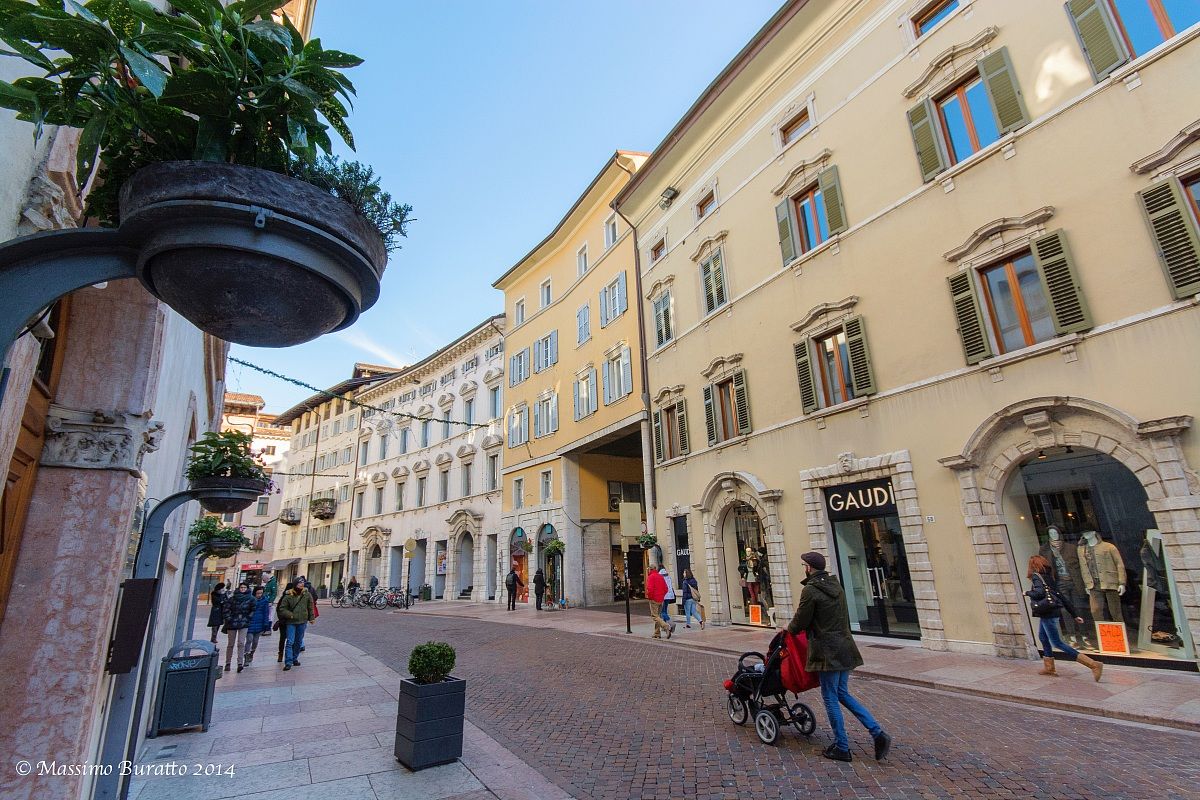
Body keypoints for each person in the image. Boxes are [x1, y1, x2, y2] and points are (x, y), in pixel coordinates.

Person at [787, 551, 891, 763]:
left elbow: (801, 621)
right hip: (844, 647)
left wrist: (788, 629)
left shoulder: (810, 590)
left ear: (809, 567)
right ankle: (877, 733)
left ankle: (842, 746)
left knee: (830, 697)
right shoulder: (836, 585)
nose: (803, 568)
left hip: (828, 652)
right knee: (842, 693)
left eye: (804, 565)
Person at [1025, 555, 1103, 681]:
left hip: (1048, 614)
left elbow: (1039, 593)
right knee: (1043, 637)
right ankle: (1049, 668)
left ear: (1033, 566)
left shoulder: (1036, 577)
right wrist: (1074, 614)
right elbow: (1061, 596)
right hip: (1050, 613)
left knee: (1057, 643)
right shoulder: (1049, 578)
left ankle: (1093, 664)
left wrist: (1027, 593)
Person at [277, 579, 315, 671]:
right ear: (295, 584)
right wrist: (290, 615)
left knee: (298, 641)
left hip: (302, 621)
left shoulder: (307, 594)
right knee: (290, 642)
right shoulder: (289, 595)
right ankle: (288, 662)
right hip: (291, 622)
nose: (301, 584)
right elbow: (282, 608)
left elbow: (310, 607)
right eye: (299, 583)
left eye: (302, 583)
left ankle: (294, 658)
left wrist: (311, 618)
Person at [222, 581, 255, 673]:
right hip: (232, 623)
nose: (243, 589)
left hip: (244, 623)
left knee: (241, 643)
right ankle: (228, 663)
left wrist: (248, 618)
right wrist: (229, 618)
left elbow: (253, 609)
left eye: (244, 587)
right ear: (239, 588)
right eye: (241, 587)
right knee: (230, 644)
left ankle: (240, 663)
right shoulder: (232, 598)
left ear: (247, 588)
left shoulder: (251, 599)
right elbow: (226, 609)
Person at [645, 564, 674, 639]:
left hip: (654, 599)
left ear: (650, 569)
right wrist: (662, 595)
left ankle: (666, 626)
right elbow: (666, 588)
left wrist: (650, 597)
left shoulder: (651, 577)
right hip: (661, 599)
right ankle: (657, 633)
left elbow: (650, 589)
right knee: (658, 616)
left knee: (655, 616)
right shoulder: (660, 576)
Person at [245, 585, 271, 665]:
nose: (259, 595)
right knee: (249, 639)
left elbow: (266, 613)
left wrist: (266, 624)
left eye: (261, 593)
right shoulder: (250, 600)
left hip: (260, 623)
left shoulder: (265, 601)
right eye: (258, 593)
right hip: (250, 622)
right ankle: (246, 655)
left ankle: (252, 653)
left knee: (255, 641)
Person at [276, 580, 295, 663]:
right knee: (290, 639)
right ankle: (288, 655)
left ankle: (281, 654)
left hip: (283, 621)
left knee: (283, 638)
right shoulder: (288, 598)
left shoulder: (283, 598)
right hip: (287, 621)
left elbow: (278, 610)